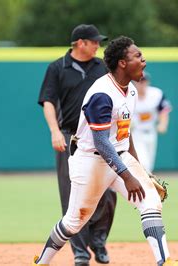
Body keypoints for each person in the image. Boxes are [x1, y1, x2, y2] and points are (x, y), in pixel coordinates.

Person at [33, 36, 178, 266]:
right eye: (138, 56)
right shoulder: (102, 94)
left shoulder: (130, 90)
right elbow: (101, 142)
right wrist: (127, 176)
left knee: (150, 201)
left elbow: (125, 133)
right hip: (90, 161)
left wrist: (140, 170)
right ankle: (41, 262)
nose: (144, 60)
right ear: (122, 63)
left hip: (119, 155)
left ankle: (165, 261)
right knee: (74, 221)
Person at [37, 24, 116, 266]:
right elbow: (48, 101)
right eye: (94, 41)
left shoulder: (103, 66)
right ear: (80, 43)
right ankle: (80, 252)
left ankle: (99, 238)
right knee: (71, 196)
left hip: (101, 138)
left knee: (109, 192)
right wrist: (54, 131)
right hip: (70, 136)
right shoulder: (57, 68)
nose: (98, 45)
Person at [131, 73, 172, 173]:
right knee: (143, 163)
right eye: (139, 81)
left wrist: (163, 124)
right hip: (136, 133)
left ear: (148, 82)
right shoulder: (130, 94)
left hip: (151, 132)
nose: (142, 83)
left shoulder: (156, 94)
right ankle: (145, 186)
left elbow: (164, 110)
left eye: (144, 81)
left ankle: (145, 185)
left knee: (149, 163)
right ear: (134, 82)